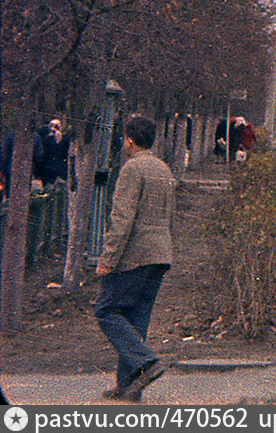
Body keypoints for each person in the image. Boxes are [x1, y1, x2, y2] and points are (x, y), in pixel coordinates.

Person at [94, 116, 174, 402]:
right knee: (136, 317)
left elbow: (122, 219)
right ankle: (129, 387)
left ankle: (148, 362)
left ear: (129, 140)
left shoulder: (132, 168)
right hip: (160, 254)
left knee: (105, 310)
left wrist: (108, 258)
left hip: (134, 255)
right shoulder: (163, 168)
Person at [35, 117, 70, 186]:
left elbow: (65, 153)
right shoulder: (45, 137)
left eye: (56, 126)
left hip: (58, 167)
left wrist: (59, 140)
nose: (53, 128)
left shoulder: (65, 139)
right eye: (51, 125)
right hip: (46, 166)